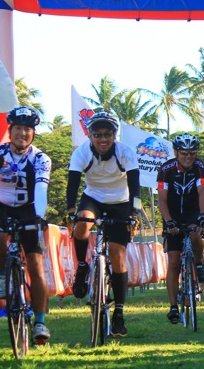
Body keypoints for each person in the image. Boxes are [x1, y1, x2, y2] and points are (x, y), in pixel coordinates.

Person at [67, 112, 140, 337]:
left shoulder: (125, 153)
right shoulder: (81, 153)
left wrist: (134, 213)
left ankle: (118, 313)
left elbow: (135, 187)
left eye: (107, 134)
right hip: (94, 198)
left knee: (117, 255)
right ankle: (81, 266)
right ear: (89, 135)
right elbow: (73, 184)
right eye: (97, 134)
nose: (102, 139)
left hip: (121, 202)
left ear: (114, 135)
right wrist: (71, 212)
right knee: (81, 225)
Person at [0, 106, 52, 343]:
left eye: (27, 129)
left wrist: (39, 216)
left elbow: (41, 188)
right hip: (1, 206)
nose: (22, 133)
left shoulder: (40, 158)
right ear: (10, 130)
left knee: (35, 265)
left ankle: (40, 322)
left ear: (33, 133)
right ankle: (3, 276)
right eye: (18, 128)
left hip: (29, 209)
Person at [156, 133, 204, 325]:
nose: (189, 157)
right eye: (185, 153)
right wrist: (169, 221)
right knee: (173, 262)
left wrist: (203, 215)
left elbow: (203, 193)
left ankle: (199, 265)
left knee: (195, 232)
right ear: (176, 152)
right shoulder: (166, 169)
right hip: (172, 214)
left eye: (193, 153)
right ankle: (172, 307)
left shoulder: (200, 167)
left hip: (192, 211)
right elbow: (161, 199)